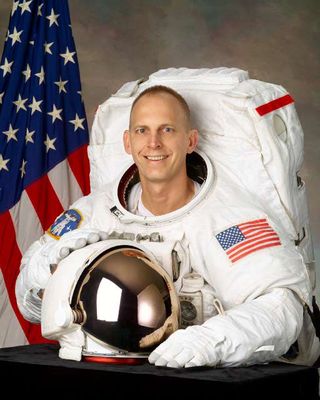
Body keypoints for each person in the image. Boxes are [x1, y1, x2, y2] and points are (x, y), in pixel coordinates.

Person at [15, 85, 320, 368]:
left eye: (167, 129)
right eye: (142, 130)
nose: (153, 143)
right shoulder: (93, 212)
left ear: (190, 141)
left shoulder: (229, 221)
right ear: (128, 141)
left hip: (199, 382)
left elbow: (284, 308)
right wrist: (46, 272)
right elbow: (28, 305)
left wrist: (212, 340)